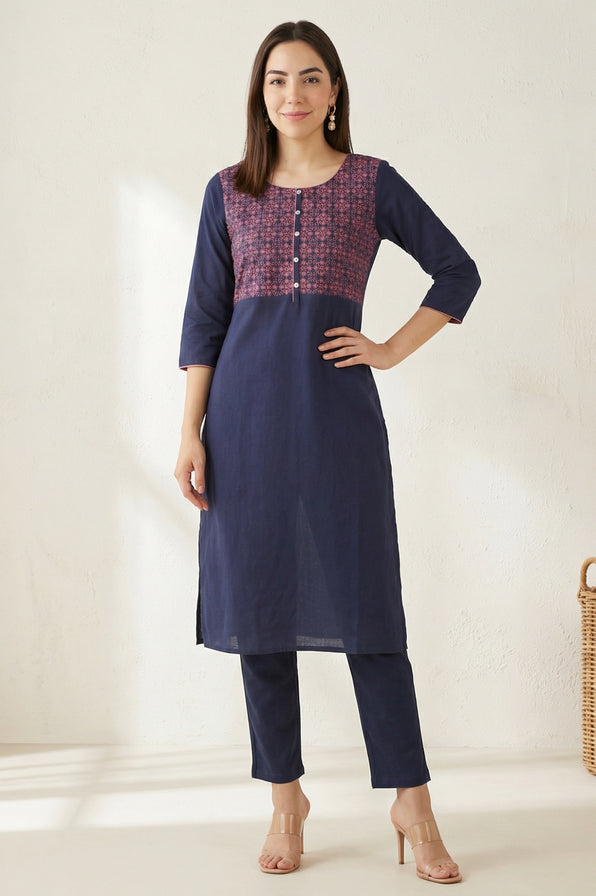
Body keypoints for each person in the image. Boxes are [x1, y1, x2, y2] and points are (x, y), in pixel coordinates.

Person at [175, 20, 480, 885]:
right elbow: (204, 321)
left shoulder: (371, 182)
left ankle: (413, 805)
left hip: (339, 425)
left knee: (370, 615)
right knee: (260, 616)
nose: (294, 94)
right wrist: (190, 430)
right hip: (243, 427)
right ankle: (286, 800)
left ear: (334, 90)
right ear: (260, 93)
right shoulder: (229, 192)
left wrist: (388, 349)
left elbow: (457, 271)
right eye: (277, 80)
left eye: (310, 78)